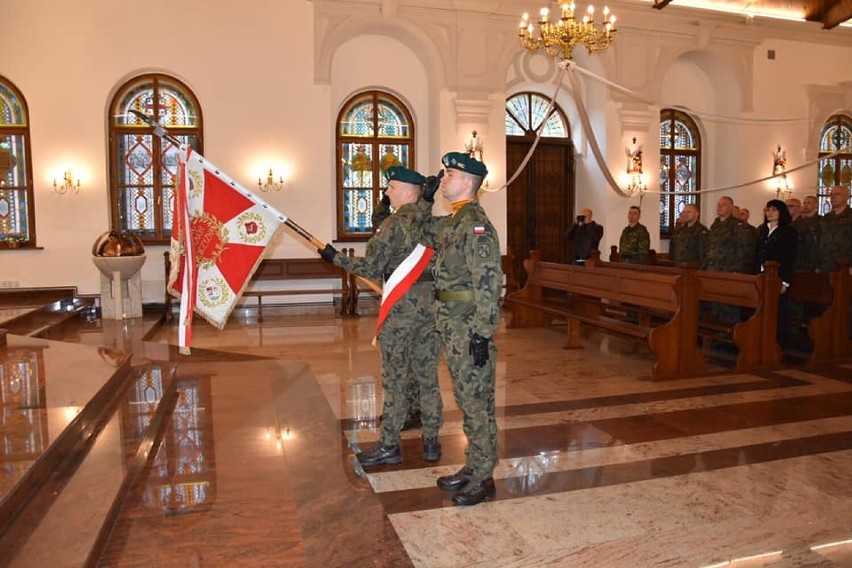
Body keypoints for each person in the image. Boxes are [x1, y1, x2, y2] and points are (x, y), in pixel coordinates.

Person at [318, 166, 443, 467]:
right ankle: (431, 443)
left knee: (396, 379)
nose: (387, 192)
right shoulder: (432, 222)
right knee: (428, 378)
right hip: (431, 311)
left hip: (401, 312)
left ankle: (389, 445)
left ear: (408, 191)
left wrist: (336, 258)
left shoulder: (393, 225)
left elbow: (371, 268)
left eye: (391, 187)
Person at [423, 151, 502, 507]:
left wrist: (483, 333)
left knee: (476, 403)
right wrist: (422, 200)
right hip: (452, 326)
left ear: (468, 182)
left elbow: (488, 283)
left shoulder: (476, 225)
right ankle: (474, 465)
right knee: (469, 401)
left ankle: (484, 477)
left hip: (469, 327)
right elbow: (419, 232)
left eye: (449, 174)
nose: (443, 179)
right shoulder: (453, 221)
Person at [756, 199, 798, 348]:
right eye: (768, 209)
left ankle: (776, 344)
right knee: (761, 309)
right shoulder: (762, 230)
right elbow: (756, 252)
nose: (770, 213)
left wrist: (785, 281)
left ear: (781, 212)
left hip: (777, 276)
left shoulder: (788, 232)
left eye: (774, 210)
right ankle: (761, 341)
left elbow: (789, 257)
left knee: (777, 312)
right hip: (760, 276)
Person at [819, 185, 852, 273]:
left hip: (844, 265)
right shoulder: (826, 218)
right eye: (831, 194)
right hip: (825, 265)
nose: (833, 197)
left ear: (846, 197)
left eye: (837, 194)